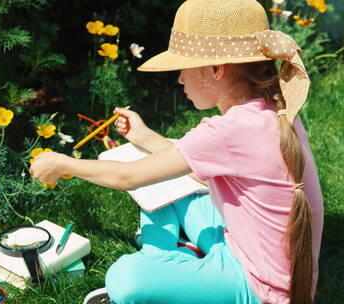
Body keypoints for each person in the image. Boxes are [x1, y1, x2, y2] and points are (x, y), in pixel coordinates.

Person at [29, 0, 324, 303]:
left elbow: (126, 176)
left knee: (125, 277)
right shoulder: (274, 108)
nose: (180, 78)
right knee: (175, 193)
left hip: (256, 289)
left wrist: (62, 162)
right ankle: (170, 261)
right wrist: (144, 137)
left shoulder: (229, 131)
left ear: (216, 68)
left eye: (182, 67)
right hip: (248, 247)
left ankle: (161, 259)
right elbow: (192, 162)